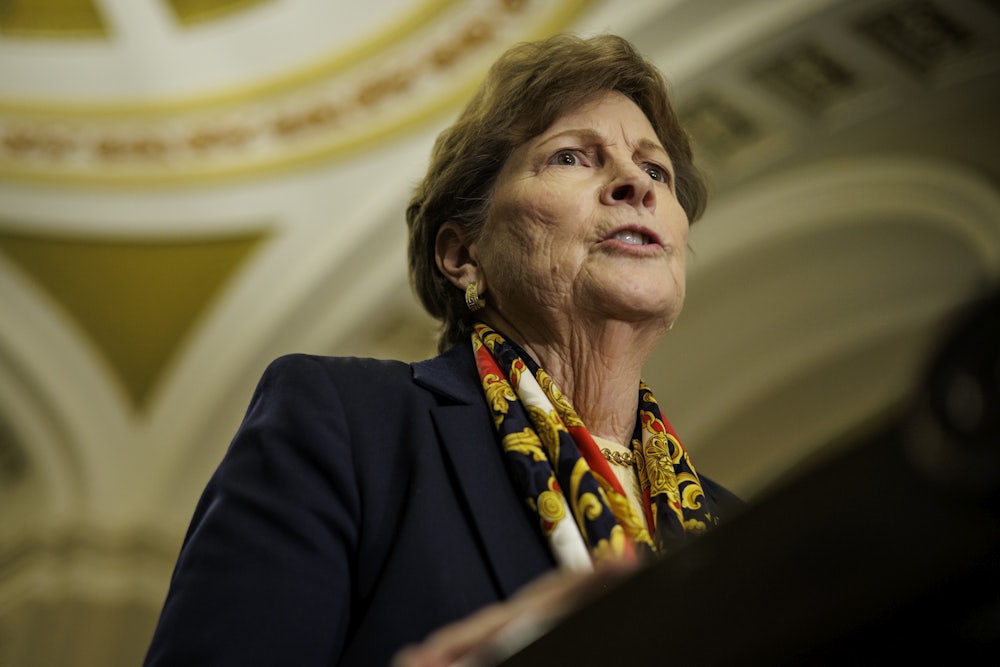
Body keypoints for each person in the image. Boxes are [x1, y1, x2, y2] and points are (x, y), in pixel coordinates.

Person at [143, 33, 743, 667]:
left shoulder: (732, 524)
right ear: (462, 255)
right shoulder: (350, 421)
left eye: (656, 170)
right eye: (571, 157)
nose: (634, 184)